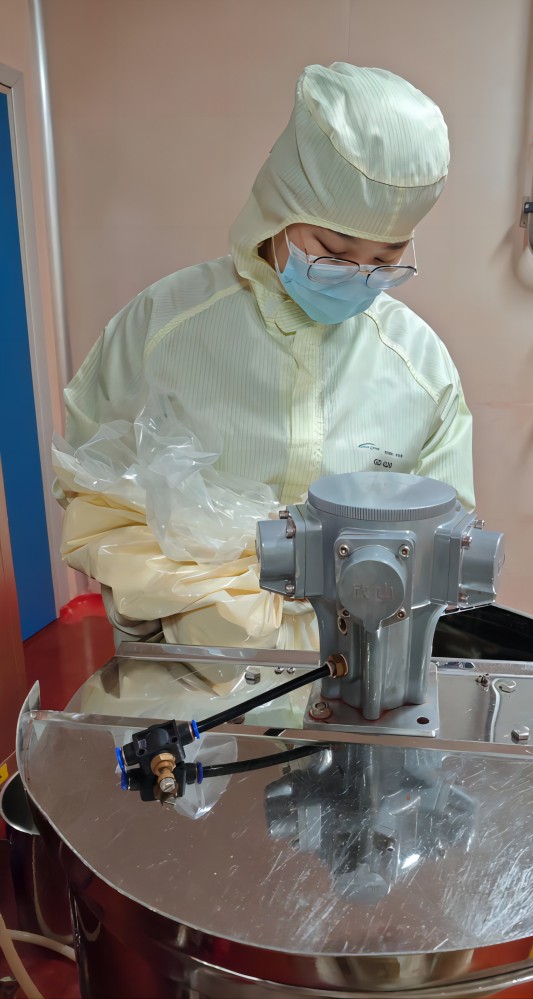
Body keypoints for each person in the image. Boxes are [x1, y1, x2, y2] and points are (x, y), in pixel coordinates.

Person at [53, 62, 474, 652]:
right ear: (279, 207)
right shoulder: (165, 325)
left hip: (357, 667)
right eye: (333, 251)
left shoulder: (419, 366)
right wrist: (178, 608)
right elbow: (93, 488)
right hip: (186, 662)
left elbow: (445, 539)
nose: (357, 276)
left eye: (385, 260)